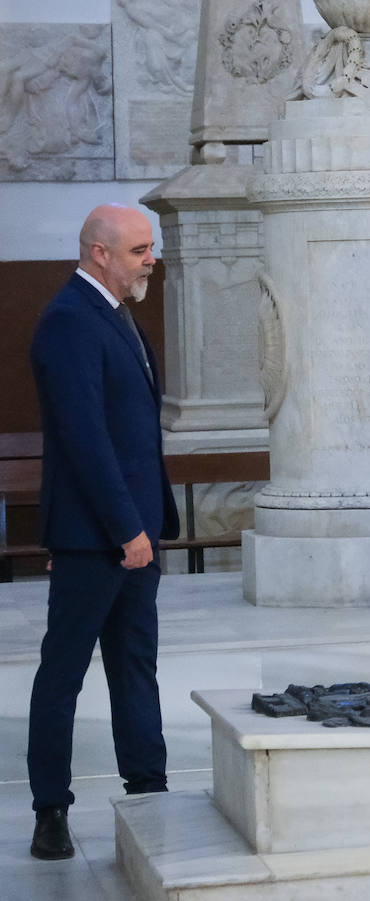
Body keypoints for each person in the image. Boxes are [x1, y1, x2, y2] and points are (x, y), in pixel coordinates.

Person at [27, 204, 179, 860]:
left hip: (135, 534)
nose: (151, 259)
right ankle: (51, 812)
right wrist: (126, 530)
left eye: (150, 247)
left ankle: (149, 789)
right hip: (96, 538)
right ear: (100, 253)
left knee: (135, 667)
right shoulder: (68, 322)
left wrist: (144, 528)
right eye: (141, 249)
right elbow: (85, 441)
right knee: (63, 675)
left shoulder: (117, 316)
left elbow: (136, 432)